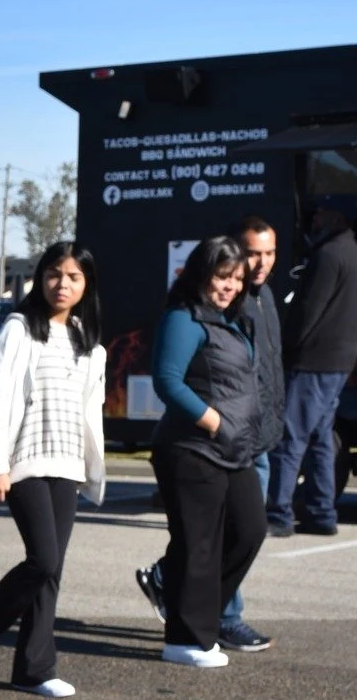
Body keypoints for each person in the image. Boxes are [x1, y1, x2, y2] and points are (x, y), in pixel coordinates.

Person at [0, 240, 106, 697]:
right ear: (41, 278)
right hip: (24, 465)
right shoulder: (19, 330)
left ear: (87, 284)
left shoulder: (86, 340)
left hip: (67, 465)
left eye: (74, 277)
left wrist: (90, 467)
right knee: (43, 559)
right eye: (54, 274)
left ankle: (35, 669)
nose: (63, 284)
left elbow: (87, 412)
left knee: (51, 570)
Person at [136, 215, 284, 651]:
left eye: (236, 279)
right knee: (200, 544)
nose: (231, 286)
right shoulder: (183, 319)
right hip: (195, 447)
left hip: (239, 447)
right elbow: (168, 381)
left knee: (249, 531)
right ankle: (189, 635)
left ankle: (196, 611)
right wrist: (215, 422)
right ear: (201, 274)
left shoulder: (235, 317)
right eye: (223, 277)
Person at [266, 199, 357, 538]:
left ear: (338, 217)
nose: (315, 217)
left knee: (290, 437)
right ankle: (321, 513)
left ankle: (278, 513)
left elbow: (308, 309)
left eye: (322, 212)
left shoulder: (329, 254)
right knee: (320, 439)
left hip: (314, 359)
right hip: (339, 361)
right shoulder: (350, 251)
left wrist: (284, 349)